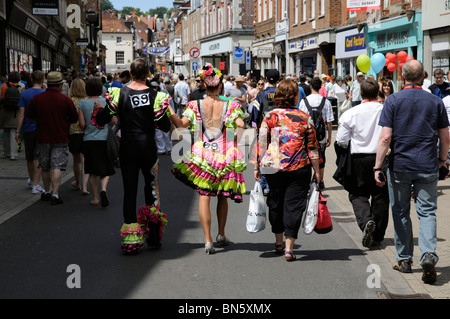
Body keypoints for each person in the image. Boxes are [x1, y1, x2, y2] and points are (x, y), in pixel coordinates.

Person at [374, 60, 450, 284]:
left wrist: (377, 166)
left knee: (400, 211)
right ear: (423, 76)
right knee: (427, 212)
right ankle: (427, 254)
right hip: (427, 165)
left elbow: (385, 137)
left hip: (400, 166)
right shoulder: (435, 101)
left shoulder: (393, 101)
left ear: (403, 77)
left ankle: (405, 259)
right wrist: (443, 161)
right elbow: (445, 136)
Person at [93, 58, 171, 255]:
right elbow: (164, 126)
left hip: (127, 147)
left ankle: (130, 240)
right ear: (148, 74)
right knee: (151, 189)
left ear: (130, 72)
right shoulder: (156, 96)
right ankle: (153, 236)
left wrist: (97, 110)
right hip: (148, 148)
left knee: (129, 190)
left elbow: (102, 120)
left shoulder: (119, 93)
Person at [169, 64, 246, 255]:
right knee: (222, 195)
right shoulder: (232, 105)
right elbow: (241, 125)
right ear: (220, 86)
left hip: (202, 154)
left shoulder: (194, 106)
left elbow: (181, 125)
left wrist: (169, 110)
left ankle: (208, 240)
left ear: (204, 85)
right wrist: (235, 140)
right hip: (224, 154)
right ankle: (221, 234)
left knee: (204, 195)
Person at [253, 79, 321, 261]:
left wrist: (256, 166)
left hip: (272, 167)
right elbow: (312, 147)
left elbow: (261, 142)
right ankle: (289, 248)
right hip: (299, 167)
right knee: (294, 205)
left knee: (275, 202)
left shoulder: (270, 116)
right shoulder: (305, 118)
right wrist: (318, 171)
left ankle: (278, 241)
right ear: (296, 96)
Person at [336, 78, 389, 248]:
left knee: (358, 193)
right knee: (380, 195)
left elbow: (341, 140)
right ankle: (378, 235)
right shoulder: (386, 110)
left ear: (361, 93)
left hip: (358, 159)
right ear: (377, 92)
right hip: (382, 156)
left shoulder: (351, 113)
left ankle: (366, 221)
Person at [26, 71, 78, 205]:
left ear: (47, 84)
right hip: (60, 136)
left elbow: (30, 116)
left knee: (45, 165)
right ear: (60, 85)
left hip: (42, 136)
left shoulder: (38, 99)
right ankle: (55, 194)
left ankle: (47, 191)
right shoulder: (65, 100)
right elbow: (74, 118)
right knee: (57, 166)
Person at [78, 77, 115, 207]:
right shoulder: (106, 102)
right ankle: (103, 189)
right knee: (106, 168)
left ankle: (95, 198)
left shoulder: (82, 103)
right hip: (104, 139)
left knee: (92, 170)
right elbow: (114, 121)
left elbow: (82, 124)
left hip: (89, 140)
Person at [298, 77, 334, 190]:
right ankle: (320, 180)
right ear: (320, 87)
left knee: (308, 157)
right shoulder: (326, 101)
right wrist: (329, 137)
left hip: (307, 136)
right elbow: (329, 122)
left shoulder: (304, 101)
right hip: (321, 136)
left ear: (311, 87)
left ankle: (308, 181)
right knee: (321, 157)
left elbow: (300, 120)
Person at [250, 69, 280, 196]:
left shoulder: (261, 94)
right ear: (278, 79)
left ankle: (264, 184)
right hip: (280, 131)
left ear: (266, 79)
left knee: (264, 156)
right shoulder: (282, 93)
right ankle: (275, 183)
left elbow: (254, 114)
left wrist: (256, 127)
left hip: (264, 131)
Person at [16, 70, 45, 194]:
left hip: (28, 129)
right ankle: (37, 184)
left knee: (29, 157)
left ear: (32, 80)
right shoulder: (45, 93)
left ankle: (32, 180)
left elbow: (21, 114)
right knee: (40, 156)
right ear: (43, 80)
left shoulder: (24, 94)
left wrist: (18, 131)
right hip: (41, 129)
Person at [68, 78, 89, 196]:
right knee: (84, 159)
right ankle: (85, 186)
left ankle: (78, 182)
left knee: (76, 160)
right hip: (86, 132)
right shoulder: (87, 100)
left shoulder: (70, 100)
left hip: (73, 132)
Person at [0, 71, 22, 160]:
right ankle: (14, 154)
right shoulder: (19, 88)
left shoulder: (4, 86)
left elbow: (1, 98)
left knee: (6, 132)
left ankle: (6, 152)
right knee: (14, 132)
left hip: (5, 111)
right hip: (15, 112)